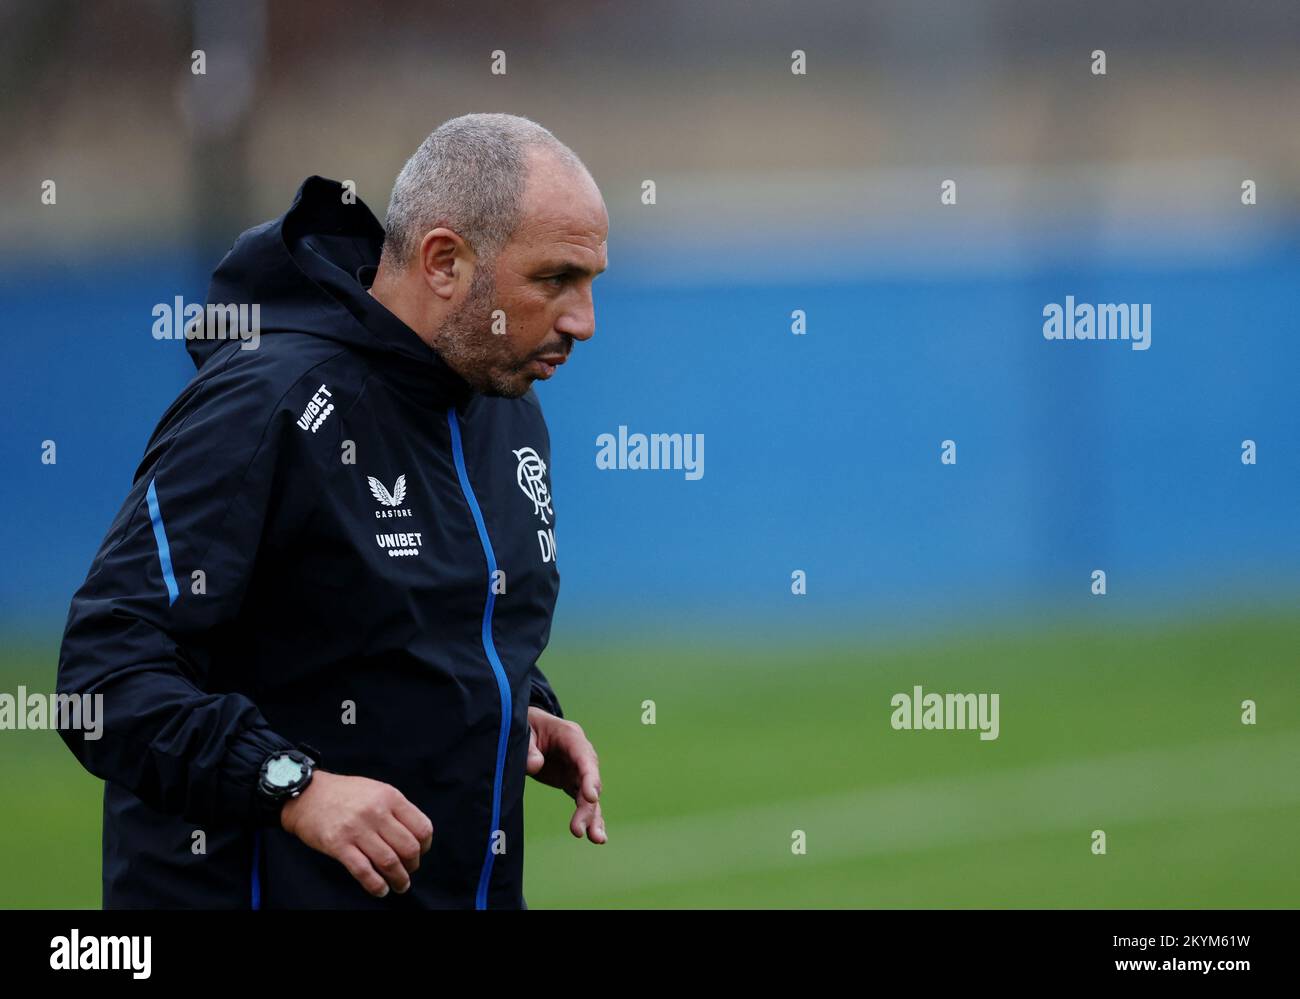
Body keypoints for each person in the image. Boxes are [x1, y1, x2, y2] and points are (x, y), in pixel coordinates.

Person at [56, 112, 608, 909]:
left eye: (592, 282)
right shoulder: (265, 406)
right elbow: (102, 677)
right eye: (555, 279)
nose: (583, 320)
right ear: (444, 261)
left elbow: (417, 623)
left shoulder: (507, 409)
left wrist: (520, 706)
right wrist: (293, 787)